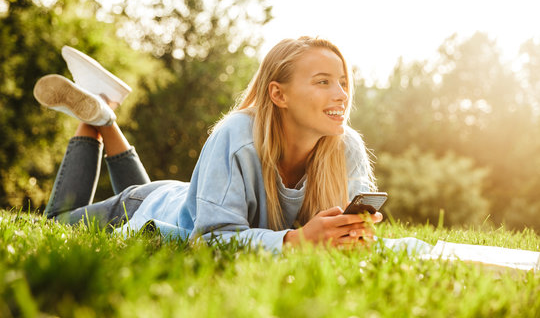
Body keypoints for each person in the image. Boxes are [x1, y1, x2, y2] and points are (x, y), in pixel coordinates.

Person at [33, 37, 383, 253]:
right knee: (56, 221)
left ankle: (103, 110)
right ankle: (98, 116)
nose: (342, 94)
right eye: (323, 82)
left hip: (186, 196)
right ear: (278, 94)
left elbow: (340, 238)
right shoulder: (238, 135)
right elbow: (213, 239)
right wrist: (296, 241)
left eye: (342, 82)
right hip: (155, 207)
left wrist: (351, 236)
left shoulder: (344, 147)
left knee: (138, 190)